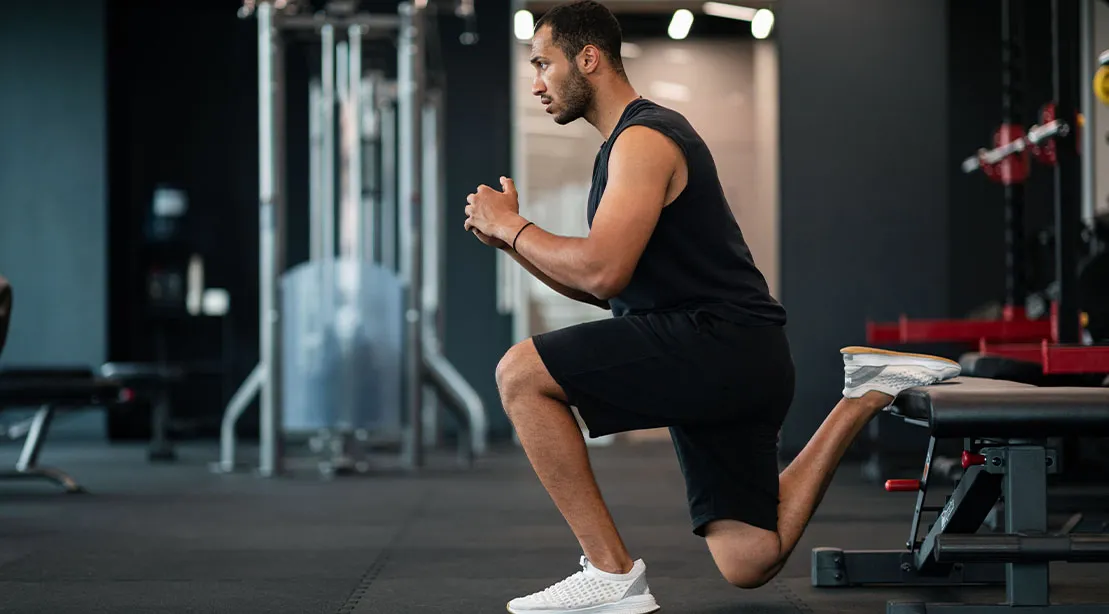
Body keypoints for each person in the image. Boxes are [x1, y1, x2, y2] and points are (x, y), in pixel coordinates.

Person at [461, 2, 962, 612]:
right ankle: (862, 398)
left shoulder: (643, 140)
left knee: (520, 374)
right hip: (734, 352)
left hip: (716, 342)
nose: (536, 82)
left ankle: (611, 573)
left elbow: (600, 268)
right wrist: (509, 240)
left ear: (588, 58)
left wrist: (515, 227)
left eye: (544, 63)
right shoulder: (625, 145)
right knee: (749, 559)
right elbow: (604, 287)